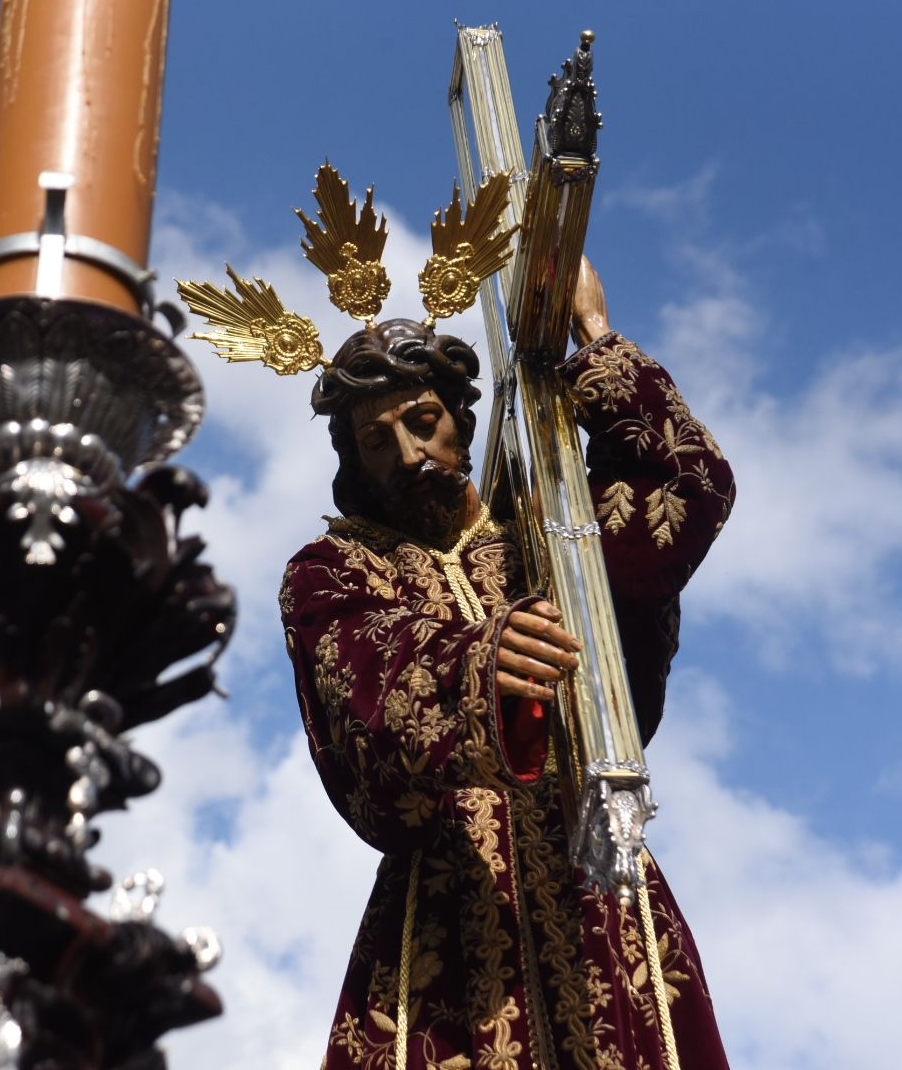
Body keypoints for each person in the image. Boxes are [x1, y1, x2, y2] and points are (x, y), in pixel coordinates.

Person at [279, 258, 736, 1070]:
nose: (408, 450)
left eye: (422, 420)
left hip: (600, 884)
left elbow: (686, 485)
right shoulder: (335, 568)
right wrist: (479, 662)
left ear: (461, 416)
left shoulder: (548, 535)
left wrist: (596, 340)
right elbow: (362, 689)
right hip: (452, 915)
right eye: (375, 439)